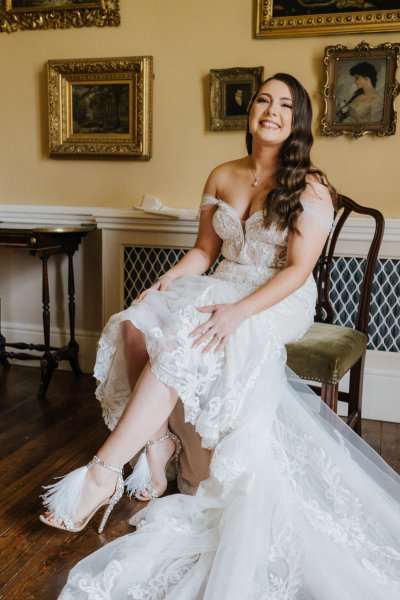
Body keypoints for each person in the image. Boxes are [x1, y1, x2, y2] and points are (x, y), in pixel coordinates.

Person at [40, 73, 400, 599]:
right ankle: (159, 444)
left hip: (275, 297)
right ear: (249, 112)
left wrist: (237, 315)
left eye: (284, 105)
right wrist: (166, 281)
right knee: (136, 323)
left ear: (297, 120)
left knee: (190, 337)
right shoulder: (223, 173)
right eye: (262, 101)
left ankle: (104, 471)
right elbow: (205, 252)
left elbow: (298, 272)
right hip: (222, 280)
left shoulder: (310, 186)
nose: (271, 111)